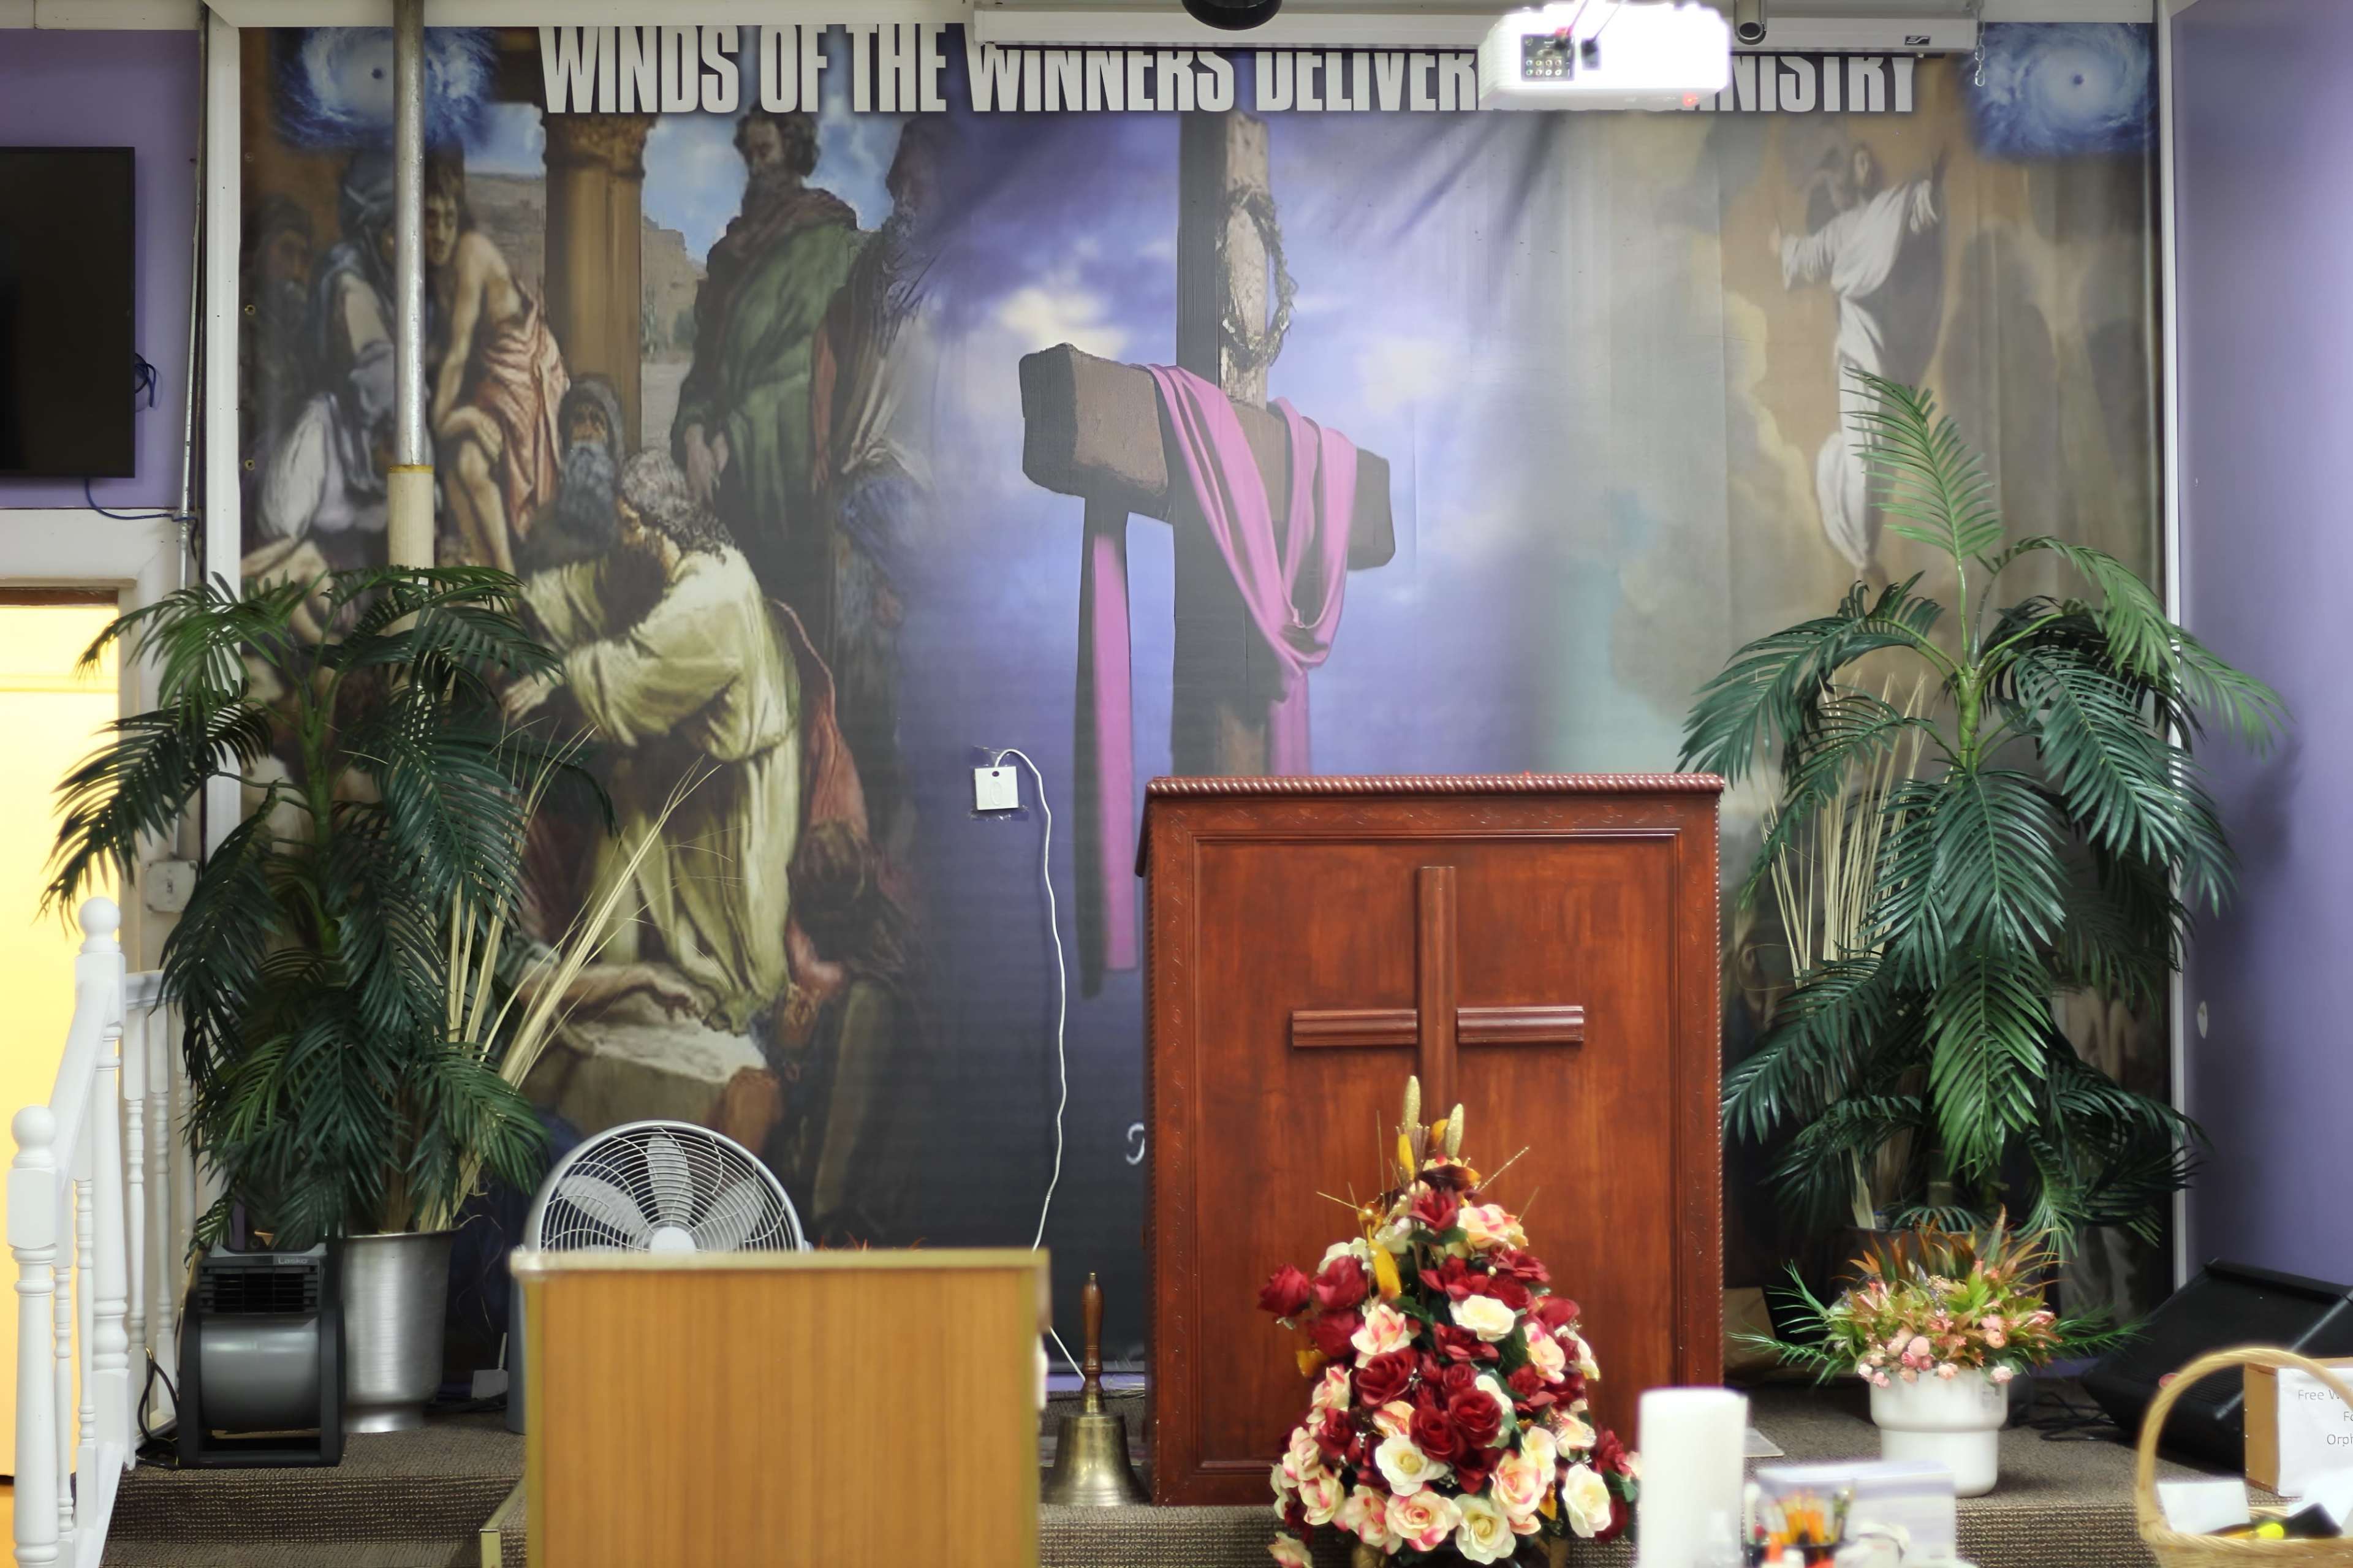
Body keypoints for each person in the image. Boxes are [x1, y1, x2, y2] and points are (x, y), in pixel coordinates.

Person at [503, 450, 805, 1036]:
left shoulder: (713, 592)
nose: (621, 537)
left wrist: (559, 675)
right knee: (623, 811)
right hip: (687, 766)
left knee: (734, 960)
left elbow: (636, 667)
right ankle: (608, 979)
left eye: (627, 524)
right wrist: (516, 599)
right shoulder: (659, 558)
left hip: (738, 790)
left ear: (655, 521)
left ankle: (716, 1004)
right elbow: (588, 588)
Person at [808, 116, 948, 857]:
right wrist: (820, 438)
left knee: (910, 668)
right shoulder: (871, 269)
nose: (908, 196)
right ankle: (857, 831)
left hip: (918, 495)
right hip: (856, 488)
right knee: (854, 671)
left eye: (924, 183)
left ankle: (906, 841)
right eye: (904, 182)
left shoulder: (956, 275)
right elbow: (828, 339)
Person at [672, 108, 865, 627]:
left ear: (795, 154)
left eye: (767, 153)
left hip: (792, 480)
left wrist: (735, 432)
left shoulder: (827, 243)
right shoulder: (731, 257)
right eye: (750, 155)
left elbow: (807, 364)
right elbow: (706, 370)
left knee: (793, 632)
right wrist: (693, 433)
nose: (756, 166)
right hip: (729, 486)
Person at [1774, 142, 1947, 573]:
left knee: (1881, 458)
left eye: (1870, 159)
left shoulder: (1891, 212)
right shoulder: (1840, 230)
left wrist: (1933, 185)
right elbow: (1808, 258)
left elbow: (1921, 213)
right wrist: (1783, 246)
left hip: (1888, 357)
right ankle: (1863, 554)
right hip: (1857, 355)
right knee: (1863, 457)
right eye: (1859, 160)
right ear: (1851, 176)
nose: (1867, 165)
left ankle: (1864, 550)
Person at [763, 819, 925, 1245]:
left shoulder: (869, 1005)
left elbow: (831, 1184)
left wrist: (791, 1055)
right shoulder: (885, 976)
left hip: (857, 1235)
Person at [426, 149, 569, 575]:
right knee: (465, 465)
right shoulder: (436, 269)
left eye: (449, 219)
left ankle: (506, 582)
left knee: (473, 463)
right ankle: (496, 578)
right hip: (496, 377)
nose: (440, 233)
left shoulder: (470, 251)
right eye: (430, 220)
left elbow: (457, 353)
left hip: (523, 371)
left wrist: (449, 419)